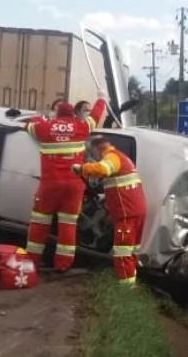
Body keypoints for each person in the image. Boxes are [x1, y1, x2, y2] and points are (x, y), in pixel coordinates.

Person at [23, 98, 101, 271]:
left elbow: (28, 125)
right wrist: (102, 99)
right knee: (68, 226)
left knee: (39, 224)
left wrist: (41, 118)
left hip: (49, 185)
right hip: (73, 186)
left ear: (56, 113)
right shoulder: (81, 127)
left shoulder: (45, 127)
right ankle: (63, 265)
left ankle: (32, 262)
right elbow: (95, 116)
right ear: (73, 114)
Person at [72, 134, 147, 286]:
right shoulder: (122, 157)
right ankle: (132, 282)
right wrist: (106, 197)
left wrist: (82, 169)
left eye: (92, 152)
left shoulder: (112, 157)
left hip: (126, 214)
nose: (93, 156)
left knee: (122, 252)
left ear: (97, 148)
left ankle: (126, 289)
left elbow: (103, 169)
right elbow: (119, 184)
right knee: (132, 250)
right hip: (135, 211)